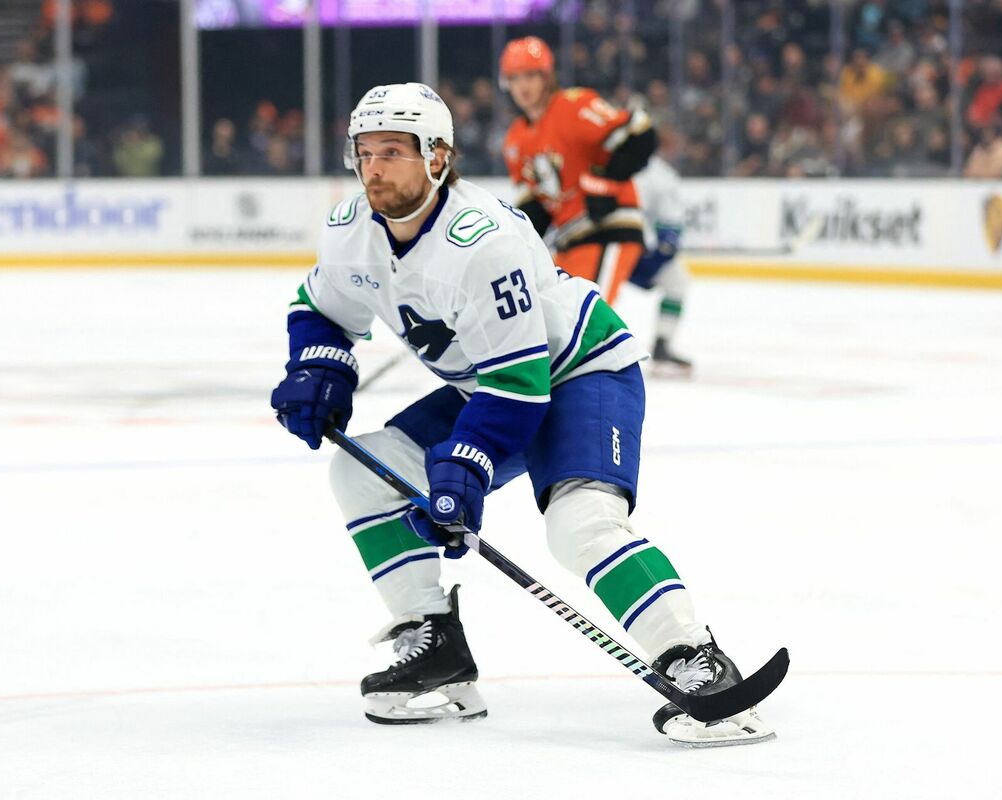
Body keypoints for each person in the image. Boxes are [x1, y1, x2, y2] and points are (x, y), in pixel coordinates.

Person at [269, 82, 776, 746]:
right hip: (491, 384)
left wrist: (466, 471)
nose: (374, 168)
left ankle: (695, 658)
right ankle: (435, 646)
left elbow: (519, 383)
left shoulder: (484, 241)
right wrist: (318, 368)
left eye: (393, 151)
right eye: (364, 152)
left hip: (577, 371)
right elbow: (321, 307)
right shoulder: (350, 232)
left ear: (438, 156)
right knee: (360, 474)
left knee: (578, 525)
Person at [499, 37, 656, 308]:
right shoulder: (514, 140)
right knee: (551, 316)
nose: (522, 86)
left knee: (583, 319)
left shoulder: (574, 106)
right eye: (515, 78)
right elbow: (534, 206)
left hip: (610, 228)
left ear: (547, 77)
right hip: (570, 239)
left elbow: (641, 133)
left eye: (530, 76)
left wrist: (606, 182)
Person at [629, 143, 694, 375]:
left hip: (632, 250)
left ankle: (662, 344)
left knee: (677, 282)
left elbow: (669, 226)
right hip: (617, 246)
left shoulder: (660, 176)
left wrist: (662, 251)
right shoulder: (660, 175)